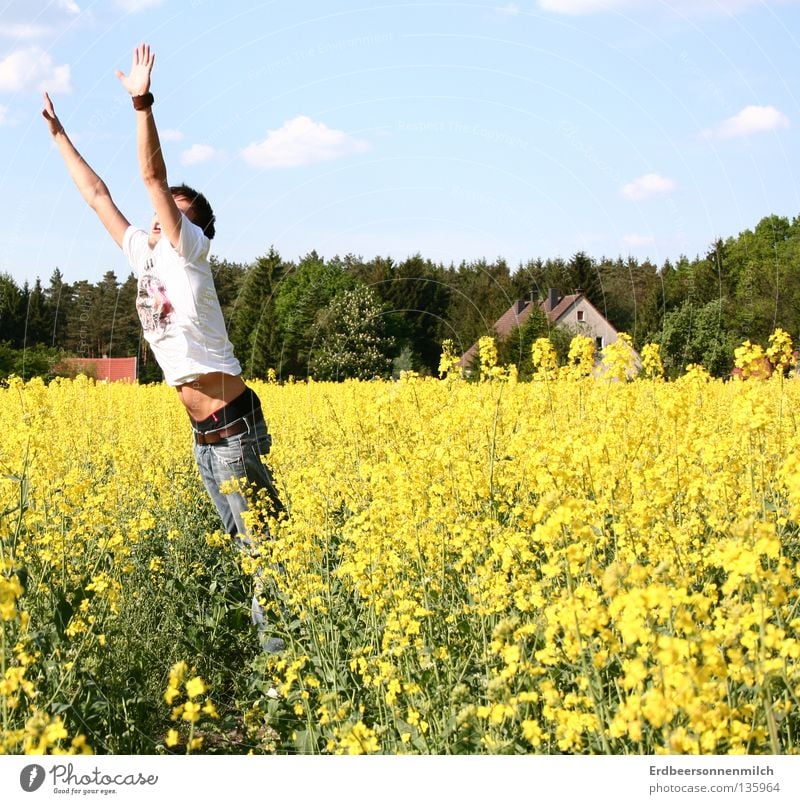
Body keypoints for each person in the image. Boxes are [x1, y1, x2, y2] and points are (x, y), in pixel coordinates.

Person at [42, 43, 286, 653]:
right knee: (259, 548)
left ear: (194, 227)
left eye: (171, 213)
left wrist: (141, 102)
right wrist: (59, 136)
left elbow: (151, 178)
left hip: (232, 429)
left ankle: (285, 673)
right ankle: (290, 641)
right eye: (159, 215)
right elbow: (99, 195)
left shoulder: (190, 253)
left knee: (266, 554)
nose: (157, 217)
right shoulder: (145, 254)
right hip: (206, 441)